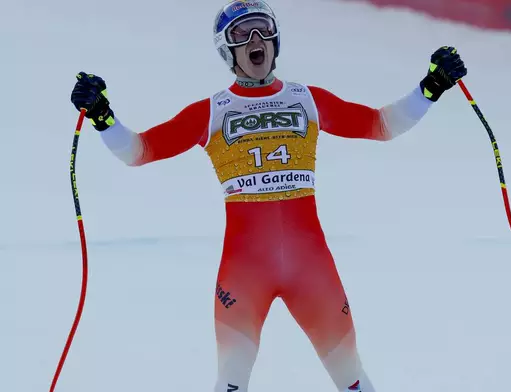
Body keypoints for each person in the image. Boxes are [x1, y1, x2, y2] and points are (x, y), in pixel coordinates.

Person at [70, 1, 467, 391]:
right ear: (228, 51)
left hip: (311, 270)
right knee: (230, 383)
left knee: (353, 379)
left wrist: (431, 87)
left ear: (277, 41)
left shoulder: (306, 99)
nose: (255, 38)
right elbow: (138, 151)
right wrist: (102, 115)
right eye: (242, 33)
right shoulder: (212, 111)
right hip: (245, 274)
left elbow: (382, 125)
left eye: (263, 28)